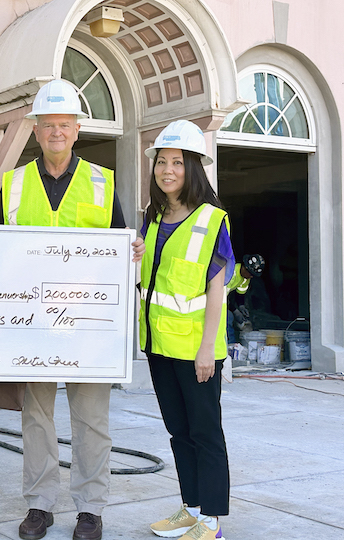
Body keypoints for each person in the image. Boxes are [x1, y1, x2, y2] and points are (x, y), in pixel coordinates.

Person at [0, 79, 144, 540]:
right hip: (34, 324)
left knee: (91, 419)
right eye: (48, 125)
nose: (56, 132)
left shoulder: (102, 181)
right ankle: (39, 505)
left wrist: (131, 249)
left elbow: (120, 245)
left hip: (89, 326)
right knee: (35, 416)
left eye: (64, 124)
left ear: (77, 130)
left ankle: (90, 509)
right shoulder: (14, 185)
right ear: (36, 130)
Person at [139, 120, 234, 540]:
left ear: (193, 167)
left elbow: (217, 291)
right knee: (179, 433)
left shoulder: (212, 219)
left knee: (205, 433)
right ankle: (191, 508)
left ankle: (211, 520)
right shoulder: (153, 216)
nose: (167, 170)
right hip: (159, 346)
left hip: (197, 350)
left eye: (177, 162)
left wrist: (205, 350)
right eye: (162, 162)